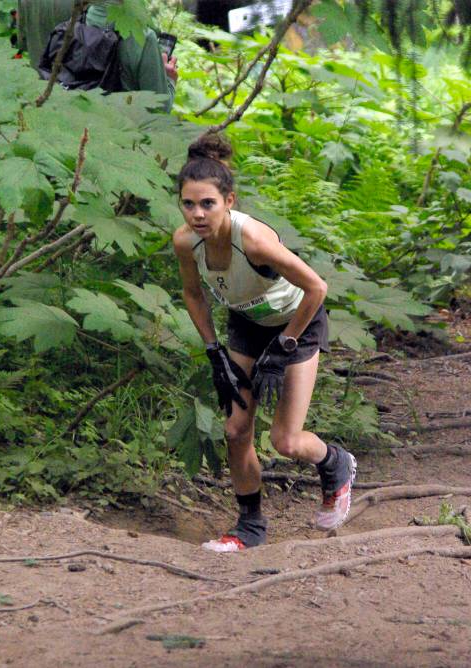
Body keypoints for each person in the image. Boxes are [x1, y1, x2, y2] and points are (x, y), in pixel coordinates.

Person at [172, 133, 357, 552]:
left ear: (229, 201)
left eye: (208, 204)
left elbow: (316, 288)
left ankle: (335, 462)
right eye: (188, 204)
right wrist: (213, 349)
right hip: (247, 324)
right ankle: (249, 527)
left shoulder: (252, 240)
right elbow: (193, 293)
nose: (198, 214)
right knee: (236, 429)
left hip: (299, 323)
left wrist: (285, 348)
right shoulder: (185, 241)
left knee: (285, 441)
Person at [16, 0, 178, 111]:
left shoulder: (76, 22)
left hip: (62, 114)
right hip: (121, 141)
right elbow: (159, 109)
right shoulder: (143, 38)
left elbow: (21, 43)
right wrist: (169, 79)